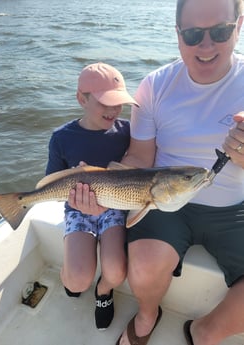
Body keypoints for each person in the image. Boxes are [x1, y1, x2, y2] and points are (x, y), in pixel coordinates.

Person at [69, 0, 244, 344]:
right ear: (177, 35)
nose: (206, 46)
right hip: (163, 200)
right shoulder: (154, 85)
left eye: (220, 32)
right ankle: (148, 315)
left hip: (235, 206)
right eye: (193, 34)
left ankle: (205, 331)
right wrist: (101, 190)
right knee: (144, 266)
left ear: (239, 26)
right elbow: (139, 157)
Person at [46, 62, 139, 331]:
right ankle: (73, 273)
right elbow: (52, 184)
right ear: (81, 99)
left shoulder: (127, 132)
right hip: (78, 208)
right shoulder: (61, 138)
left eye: (118, 103)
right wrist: (71, 186)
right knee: (76, 281)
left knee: (116, 272)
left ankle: (104, 290)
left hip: (115, 206)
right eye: (104, 103)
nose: (113, 110)